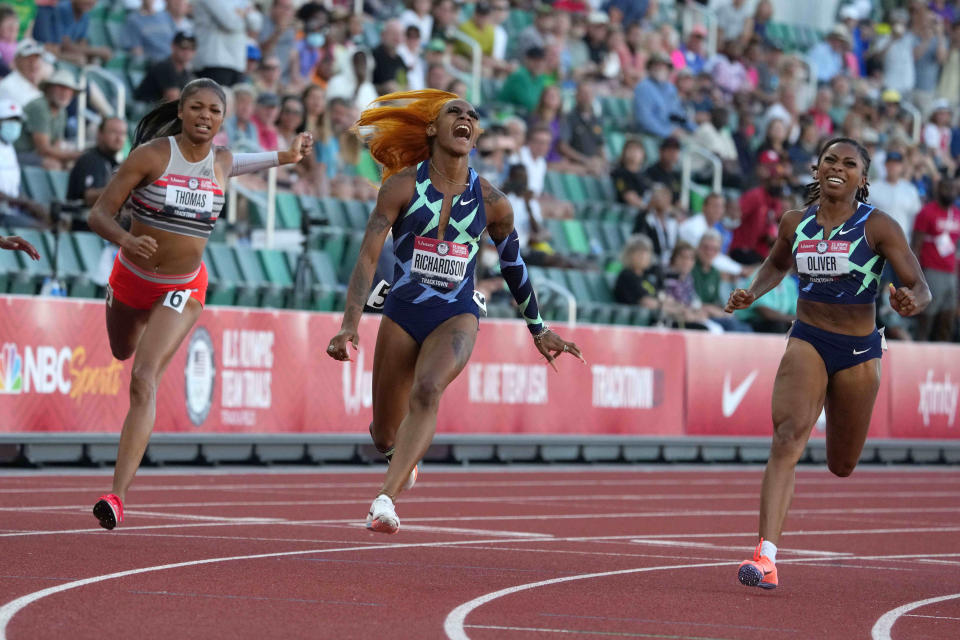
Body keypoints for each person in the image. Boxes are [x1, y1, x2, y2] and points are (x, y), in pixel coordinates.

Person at [325, 89, 583, 535]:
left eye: (472, 115)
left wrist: (539, 328)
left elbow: (513, 264)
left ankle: (385, 499)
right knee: (383, 433)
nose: (465, 118)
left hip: (457, 312)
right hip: (403, 309)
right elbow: (368, 256)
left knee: (428, 390)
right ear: (433, 128)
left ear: (477, 134)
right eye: (453, 113)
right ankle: (399, 455)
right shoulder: (402, 186)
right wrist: (350, 323)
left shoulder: (493, 201)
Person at [86, 79, 313, 530]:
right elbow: (98, 214)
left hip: (183, 286)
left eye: (213, 110)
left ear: (223, 120)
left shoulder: (223, 162)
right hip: (131, 279)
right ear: (183, 111)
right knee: (121, 351)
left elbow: (257, 160)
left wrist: (288, 154)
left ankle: (116, 496)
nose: (204, 116)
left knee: (143, 380)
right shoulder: (151, 156)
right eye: (196, 107)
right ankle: (121, 302)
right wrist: (127, 240)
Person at [725, 137, 931, 589]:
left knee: (842, 463)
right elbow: (776, 265)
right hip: (808, 337)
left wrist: (909, 302)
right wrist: (752, 292)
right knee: (786, 438)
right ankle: (765, 557)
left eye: (849, 163)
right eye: (830, 160)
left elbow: (921, 287)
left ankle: (773, 546)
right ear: (816, 169)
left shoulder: (879, 226)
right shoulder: (795, 222)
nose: (838, 167)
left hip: (858, 351)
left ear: (863, 178)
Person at [911, 178, 959, 342]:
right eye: (946, 188)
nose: (950, 192)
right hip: (931, 271)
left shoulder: (957, 214)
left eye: (953, 189)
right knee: (927, 316)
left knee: (948, 317)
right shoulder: (927, 212)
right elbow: (915, 246)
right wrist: (917, 276)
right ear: (938, 190)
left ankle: (942, 358)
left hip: (951, 273)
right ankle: (921, 353)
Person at [134, 31, 197, 105]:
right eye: (183, 47)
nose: (187, 52)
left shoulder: (186, 72)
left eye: (191, 48)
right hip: (146, 110)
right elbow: (173, 99)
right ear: (173, 46)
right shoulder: (164, 66)